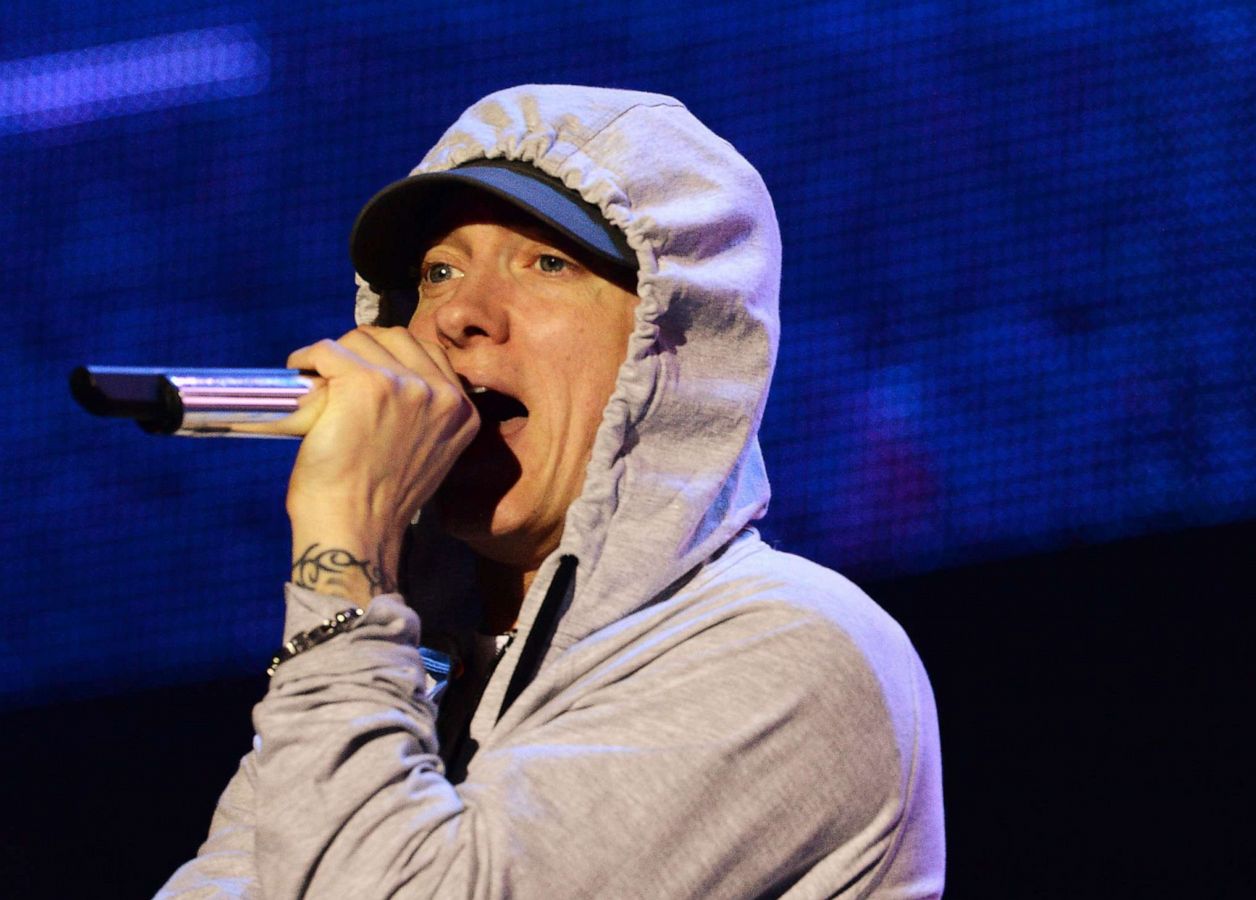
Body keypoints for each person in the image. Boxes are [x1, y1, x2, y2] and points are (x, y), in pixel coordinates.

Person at [157, 84, 945, 898]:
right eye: (438, 270)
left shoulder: (791, 648)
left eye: (547, 262)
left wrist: (347, 548)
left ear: (672, 348)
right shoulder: (409, 665)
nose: (458, 313)